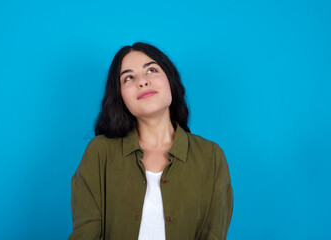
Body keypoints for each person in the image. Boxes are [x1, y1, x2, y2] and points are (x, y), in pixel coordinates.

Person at [68, 42, 233, 240]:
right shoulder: (99, 152)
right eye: (128, 78)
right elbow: (86, 234)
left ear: (170, 80)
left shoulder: (211, 156)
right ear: (120, 96)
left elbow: (213, 235)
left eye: (152, 70)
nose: (142, 82)